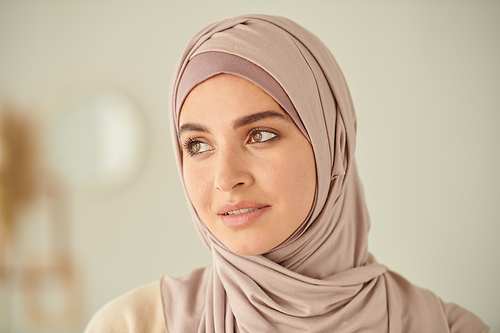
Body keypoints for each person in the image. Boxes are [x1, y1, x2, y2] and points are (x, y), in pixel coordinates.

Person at [85, 14, 489, 332]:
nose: (226, 178)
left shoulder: (449, 328)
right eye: (198, 145)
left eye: (260, 135)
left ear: (331, 147)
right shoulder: (133, 326)